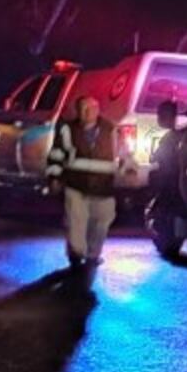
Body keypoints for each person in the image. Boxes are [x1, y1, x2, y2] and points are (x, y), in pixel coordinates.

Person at [46, 92, 119, 270]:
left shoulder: (111, 129)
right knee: (75, 221)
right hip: (75, 184)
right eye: (84, 108)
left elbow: (122, 153)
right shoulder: (67, 129)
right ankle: (76, 256)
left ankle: (93, 255)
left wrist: (127, 172)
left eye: (93, 107)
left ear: (98, 109)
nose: (89, 111)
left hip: (103, 187)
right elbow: (56, 154)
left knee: (101, 222)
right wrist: (54, 177)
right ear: (77, 111)